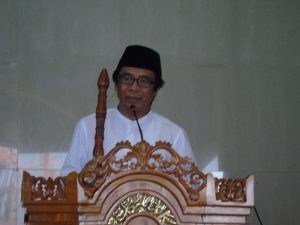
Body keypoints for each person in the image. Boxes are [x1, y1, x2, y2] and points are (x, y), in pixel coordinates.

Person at [61, 45, 195, 176]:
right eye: (127, 78)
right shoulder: (88, 126)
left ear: (155, 90)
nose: (134, 88)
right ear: (116, 85)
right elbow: (67, 184)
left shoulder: (175, 135)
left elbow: (192, 190)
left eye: (144, 81)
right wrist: (88, 179)